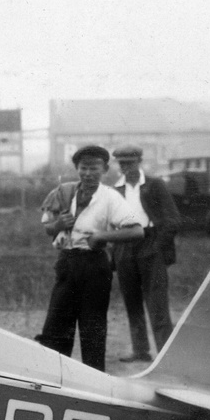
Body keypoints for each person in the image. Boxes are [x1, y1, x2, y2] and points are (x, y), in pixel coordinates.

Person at [35, 145, 144, 371]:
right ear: (77, 169)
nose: (88, 174)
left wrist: (103, 236)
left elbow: (136, 230)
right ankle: (55, 378)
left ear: (104, 169)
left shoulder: (110, 197)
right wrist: (59, 224)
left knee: (92, 328)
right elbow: (48, 228)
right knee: (57, 325)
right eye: (83, 168)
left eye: (94, 168)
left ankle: (94, 379)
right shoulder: (65, 193)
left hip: (95, 265)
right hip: (67, 263)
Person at [109, 144, 181, 363]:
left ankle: (166, 355)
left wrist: (158, 245)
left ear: (139, 162)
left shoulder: (154, 185)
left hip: (150, 244)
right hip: (124, 246)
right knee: (132, 300)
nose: (126, 168)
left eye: (130, 163)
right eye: (122, 164)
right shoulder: (115, 190)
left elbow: (172, 219)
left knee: (157, 301)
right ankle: (140, 350)